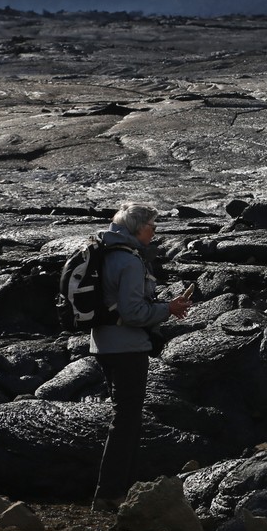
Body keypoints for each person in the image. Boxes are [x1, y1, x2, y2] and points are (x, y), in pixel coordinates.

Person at [90, 201, 191, 511]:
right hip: (126, 348)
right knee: (126, 421)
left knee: (125, 419)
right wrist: (168, 309)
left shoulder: (107, 252)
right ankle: (109, 493)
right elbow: (133, 312)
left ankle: (117, 490)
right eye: (152, 226)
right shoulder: (130, 261)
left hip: (104, 344)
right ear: (136, 229)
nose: (155, 232)